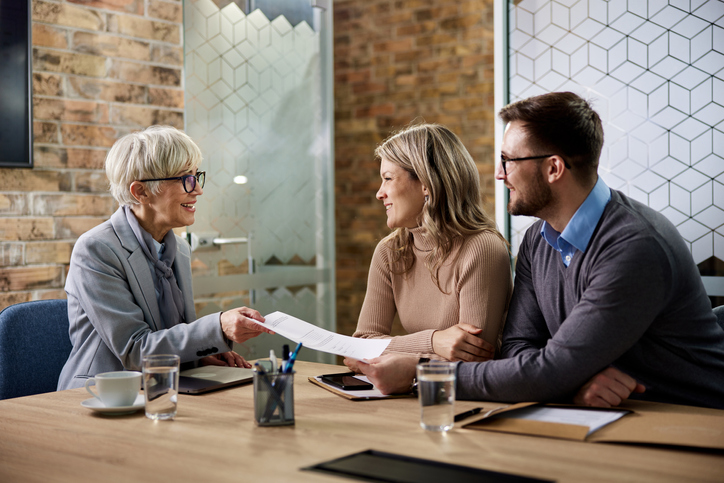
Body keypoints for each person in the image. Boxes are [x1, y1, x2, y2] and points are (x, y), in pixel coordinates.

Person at [356, 92, 724, 409]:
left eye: (509, 162)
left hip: (690, 418)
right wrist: (562, 379)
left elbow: (548, 369)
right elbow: (521, 346)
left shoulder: (633, 246)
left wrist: (424, 375)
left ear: (553, 168)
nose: (500, 175)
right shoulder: (537, 240)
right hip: (610, 413)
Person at [58, 126, 273, 390]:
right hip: (104, 397)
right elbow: (136, 350)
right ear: (141, 192)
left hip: (166, 390)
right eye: (186, 179)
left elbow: (167, 336)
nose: (198, 190)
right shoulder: (95, 250)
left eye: (197, 176)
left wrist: (201, 354)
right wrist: (216, 327)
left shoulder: (179, 249)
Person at [348, 123, 512, 367]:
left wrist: (397, 361)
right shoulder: (390, 252)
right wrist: (434, 342)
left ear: (426, 183)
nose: (379, 193)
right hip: (411, 396)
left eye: (388, 179)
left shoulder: (482, 248)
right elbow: (357, 350)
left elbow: (473, 362)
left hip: (468, 400)